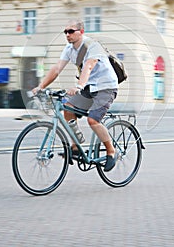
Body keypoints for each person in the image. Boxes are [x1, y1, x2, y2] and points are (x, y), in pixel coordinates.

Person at [32, 19, 118, 171]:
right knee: (68, 108)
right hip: (89, 88)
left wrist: (79, 86)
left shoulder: (92, 45)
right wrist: (41, 87)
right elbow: (57, 68)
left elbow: (89, 65)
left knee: (93, 120)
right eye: (65, 31)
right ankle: (76, 145)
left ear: (81, 32)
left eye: (71, 31)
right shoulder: (69, 49)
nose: (67, 34)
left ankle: (111, 151)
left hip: (106, 87)